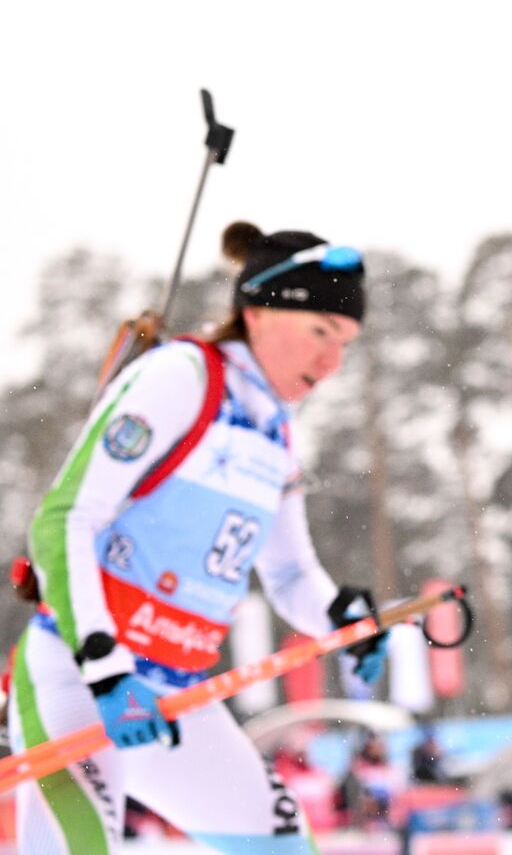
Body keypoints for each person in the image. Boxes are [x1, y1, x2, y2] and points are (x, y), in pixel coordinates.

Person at [7, 221, 387, 855]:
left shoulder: (277, 430)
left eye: (345, 342)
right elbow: (63, 518)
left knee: (286, 847)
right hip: (81, 683)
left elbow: (291, 576)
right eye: (321, 332)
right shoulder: (180, 376)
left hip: (178, 694)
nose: (332, 362)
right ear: (258, 312)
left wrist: (339, 616)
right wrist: (105, 670)